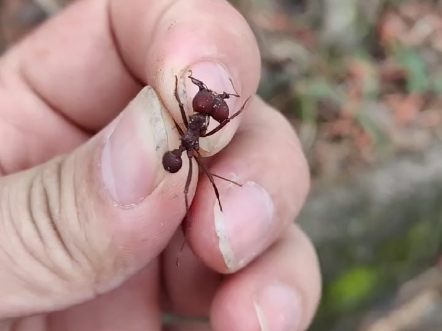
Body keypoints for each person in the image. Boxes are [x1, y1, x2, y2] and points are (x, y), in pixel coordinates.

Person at [0, 0, 321, 330]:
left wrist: (214, 100)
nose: (212, 104)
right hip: (169, 161)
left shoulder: (190, 130)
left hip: (175, 157)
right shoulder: (190, 132)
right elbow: (192, 105)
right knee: (207, 183)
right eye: (211, 102)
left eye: (216, 104)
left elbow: (196, 109)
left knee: (211, 182)